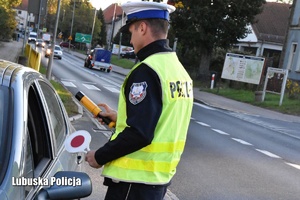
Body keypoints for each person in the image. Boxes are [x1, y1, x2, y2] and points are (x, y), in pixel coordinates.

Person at [85, 1, 194, 200]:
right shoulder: (178, 71)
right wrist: (120, 118)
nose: (131, 40)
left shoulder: (147, 70)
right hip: (156, 182)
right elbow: (162, 120)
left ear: (142, 28)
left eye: (131, 32)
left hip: (132, 185)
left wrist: (99, 156)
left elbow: (140, 134)